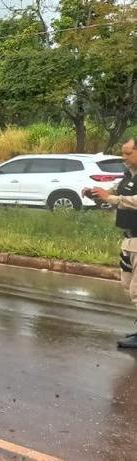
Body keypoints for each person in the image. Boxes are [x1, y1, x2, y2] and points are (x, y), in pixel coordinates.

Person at [84, 138, 137, 348]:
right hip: (129, 239)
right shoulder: (128, 176)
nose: (123, 158)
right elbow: (114, 193)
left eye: (127, 153)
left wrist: (112, 199)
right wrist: (97, 194)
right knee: (127, 285)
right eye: (123, 153)